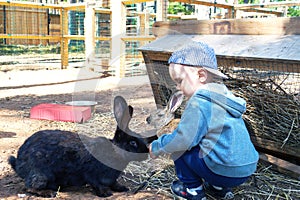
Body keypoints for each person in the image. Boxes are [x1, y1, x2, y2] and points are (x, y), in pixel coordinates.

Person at [149, 41, 259, 200]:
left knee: (180, 150)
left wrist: (159, 145)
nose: (178, 88)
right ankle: (219, 188)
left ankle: (193, 191)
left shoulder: (199, 103)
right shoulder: (224, 96)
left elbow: (183, 139)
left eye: (179, 81)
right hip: (246, 168)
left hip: (224, 169)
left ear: (201, 75)